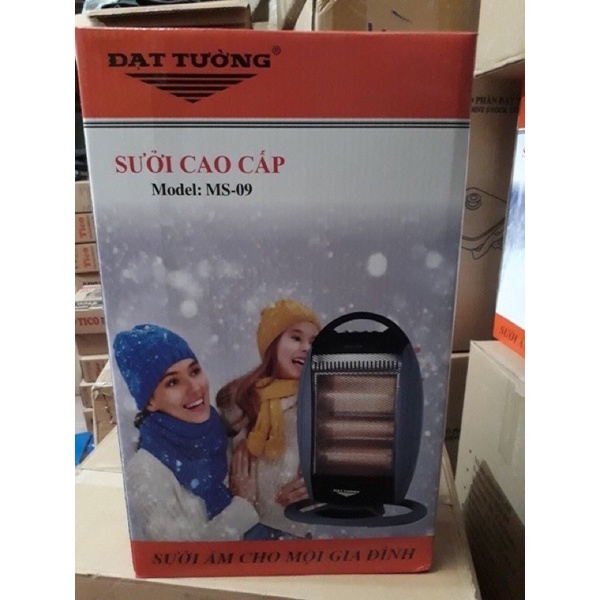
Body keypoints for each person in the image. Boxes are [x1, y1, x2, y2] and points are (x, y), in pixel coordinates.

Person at [112, 323, 259, 541]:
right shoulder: (145, 472)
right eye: (173, 382)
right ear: (150, 402)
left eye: (194, 371)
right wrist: (242, 506)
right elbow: (183, 555)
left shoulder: (220, 431)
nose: (195, 388)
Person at [216, 299, 321, 539]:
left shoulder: (320, 401)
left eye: (314, 342)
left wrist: (319, 486)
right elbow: (214, 460)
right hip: (243, 527)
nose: (306, 348)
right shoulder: (239, 399)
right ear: (273, 344)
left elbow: (343, 459)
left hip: (294, 531)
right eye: (296, 338)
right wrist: (235, 492)